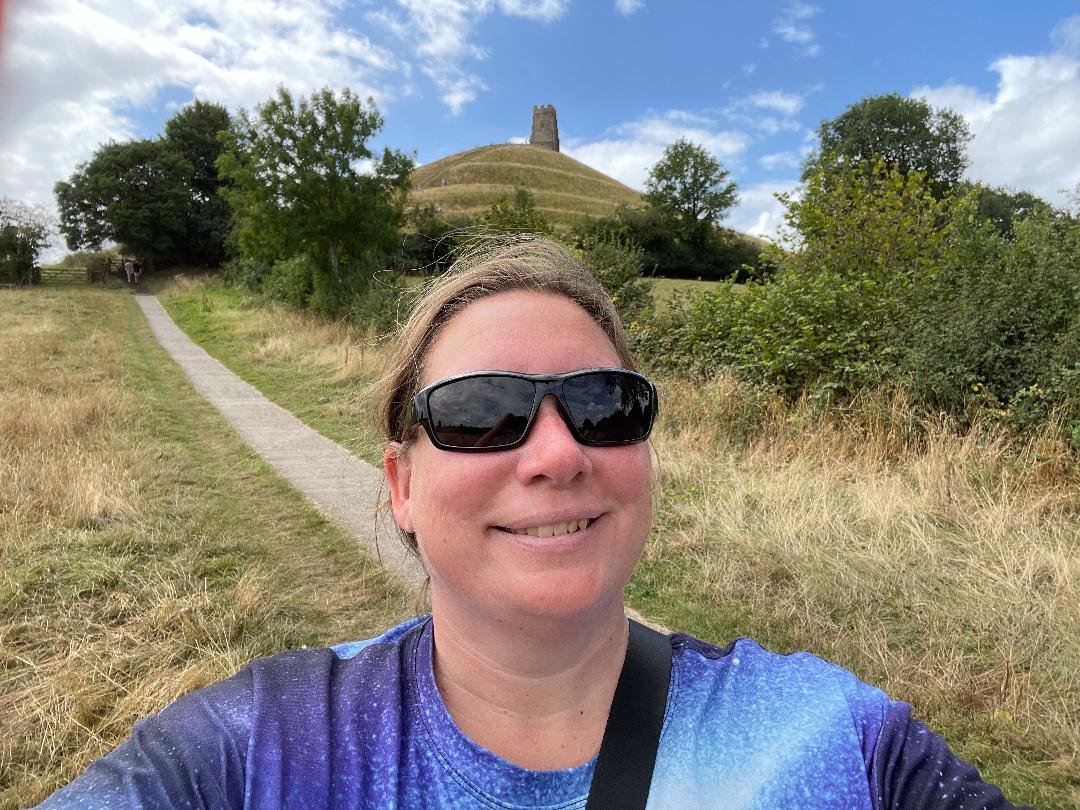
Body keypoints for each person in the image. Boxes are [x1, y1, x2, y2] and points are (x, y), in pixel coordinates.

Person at [40, 237, 1027, 808]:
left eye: (604, 405)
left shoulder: (827, 737)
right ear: (402, 484)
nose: (558, 454)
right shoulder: (264, 749)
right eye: (482, 413)